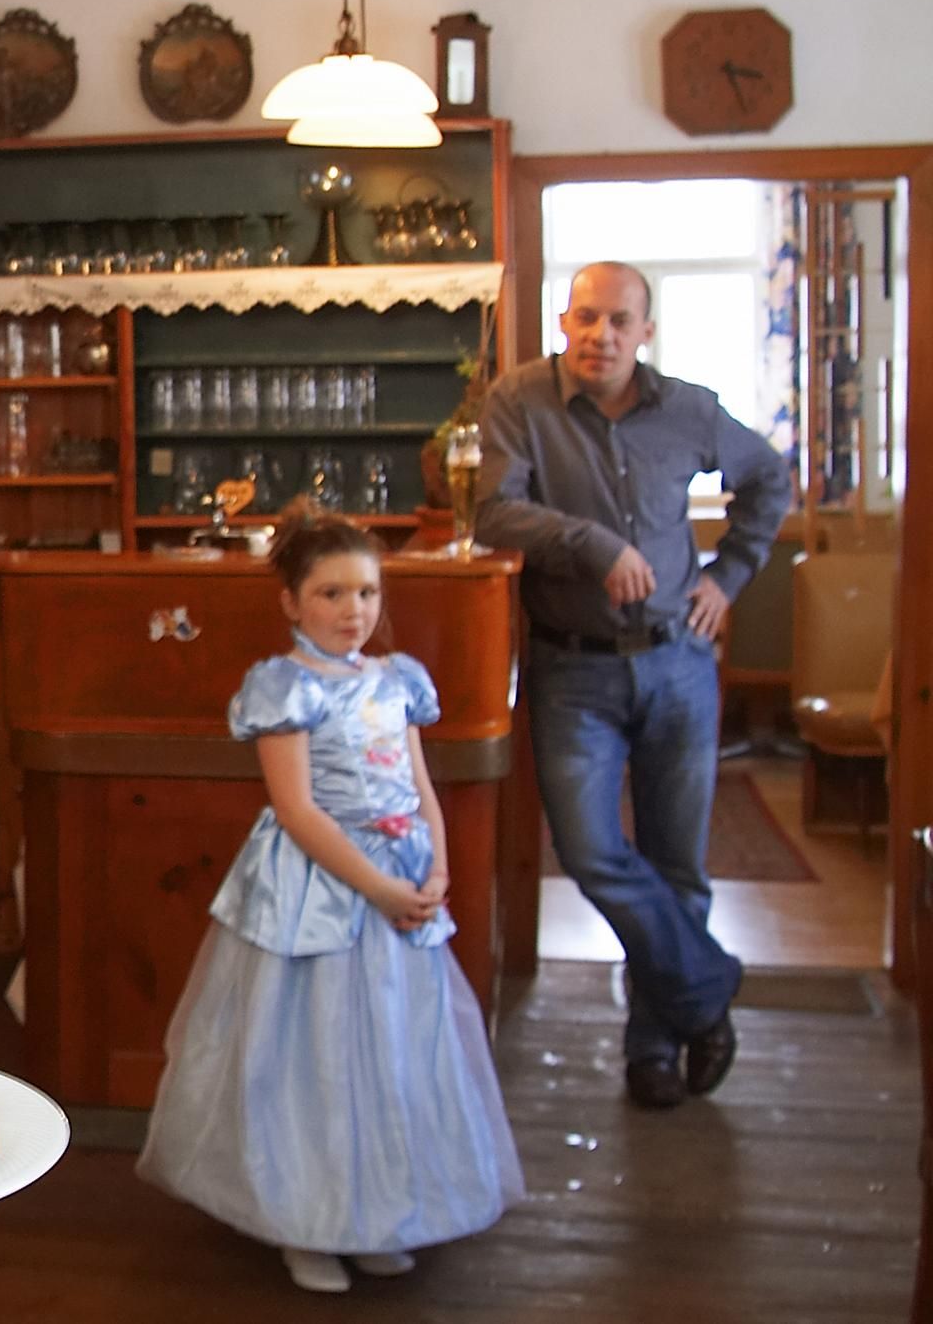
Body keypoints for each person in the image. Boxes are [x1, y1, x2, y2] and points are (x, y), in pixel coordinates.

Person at [137, 503, 522, 1294]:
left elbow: (420, 788)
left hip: (401, 883)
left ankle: (374, 1213)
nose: (354, 611)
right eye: (332, 594)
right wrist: (378, 887)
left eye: (367, 593)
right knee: (313, 1058)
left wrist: (436, 870)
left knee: (391, 1052)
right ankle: (304, 1223)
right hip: (319, 889)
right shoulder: (287, 687)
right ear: (292, 602)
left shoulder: (396, 679)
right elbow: (298, 810)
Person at [475, 261, 790, 1110]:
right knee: (588, 853)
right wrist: (595, 544)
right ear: (564, 322)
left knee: (676, 864)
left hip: (678, 663)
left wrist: (728, 576)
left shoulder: (689, 409)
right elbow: (492, 512)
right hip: (572, 669)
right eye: (586, 317)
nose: (600, 335)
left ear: (645, 332)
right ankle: (707, 988)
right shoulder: (519, 401)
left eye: (619, 321)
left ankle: (654, 1046)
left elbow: (769, 479)